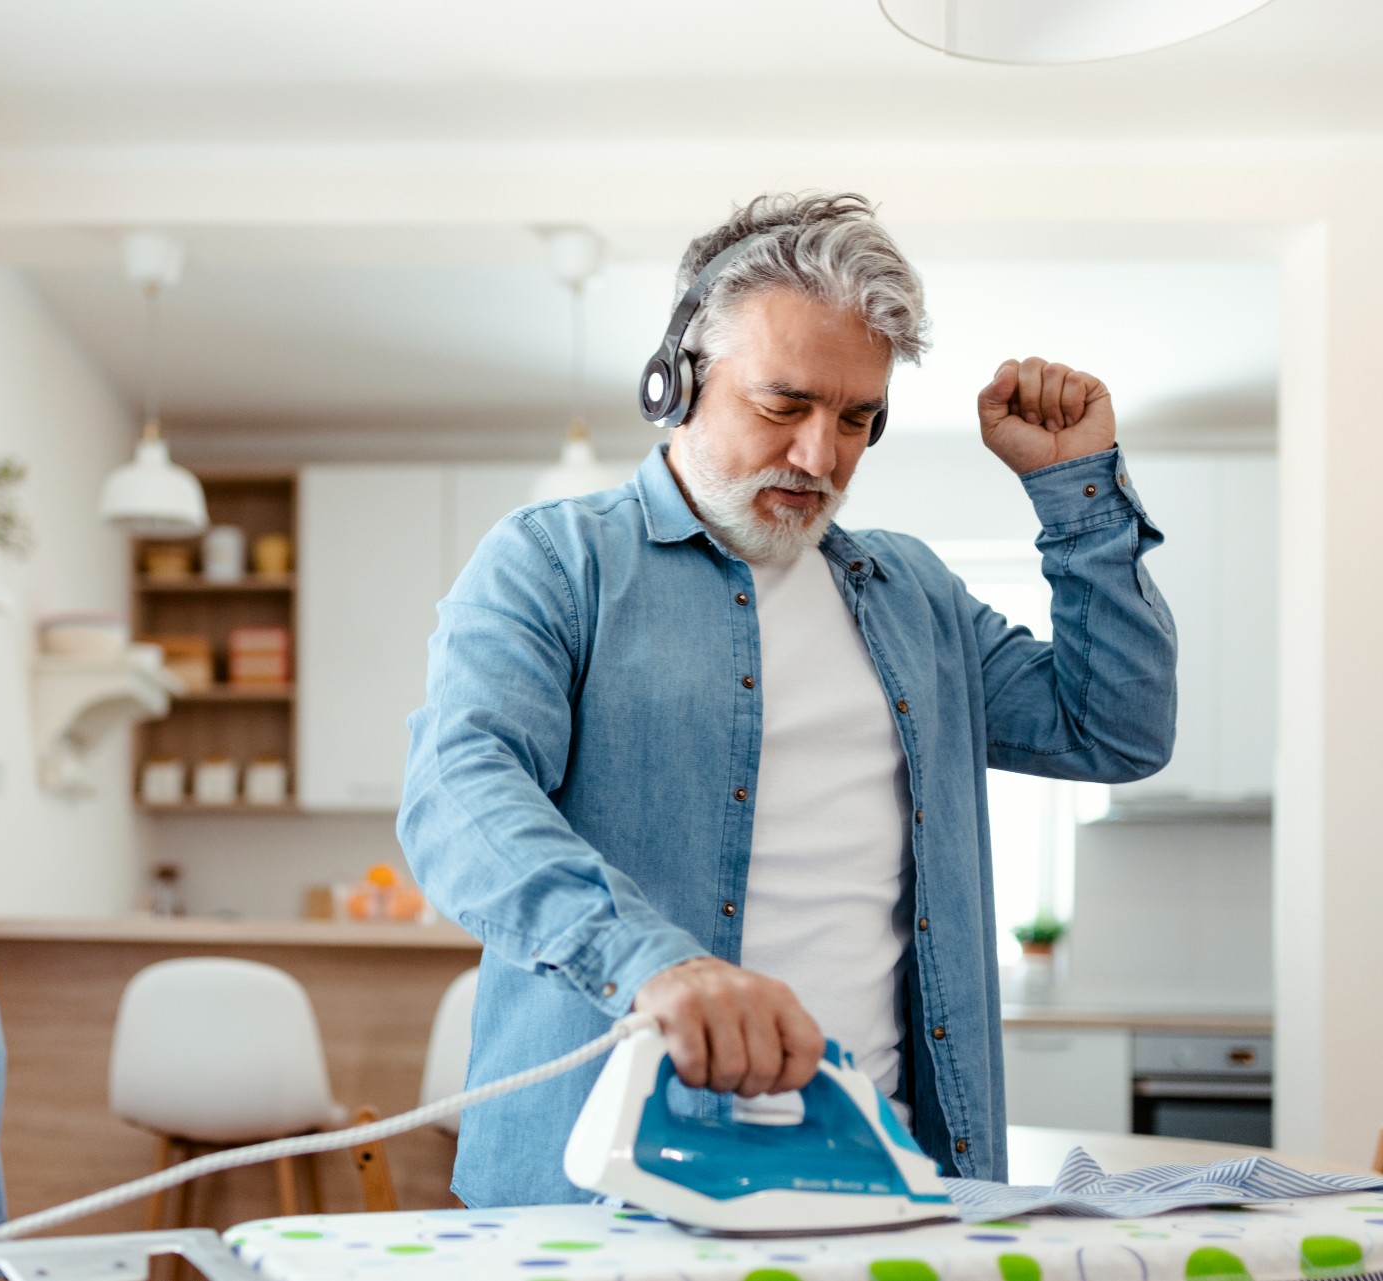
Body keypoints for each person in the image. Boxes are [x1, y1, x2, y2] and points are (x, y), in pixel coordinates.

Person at [397, 191, 1177, 1208]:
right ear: (676, 383)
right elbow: (458, 796)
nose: (822, 457)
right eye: (784, 406)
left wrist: (1077, 495)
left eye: (857, 419)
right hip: (599, 1196)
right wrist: (654, 965)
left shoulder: (914, 597)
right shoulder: (553, 564)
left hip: (886, 1182)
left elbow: (1110, 730)